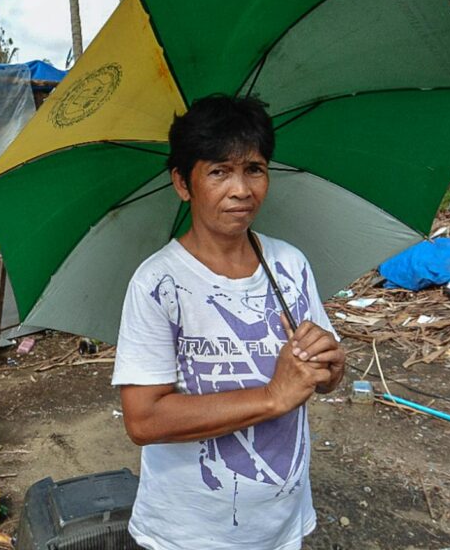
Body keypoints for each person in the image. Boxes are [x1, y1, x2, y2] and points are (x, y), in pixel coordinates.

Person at [112, 95, 347, 550]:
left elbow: (324, 379)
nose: (242, 189)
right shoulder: (158, 283)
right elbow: (143, 420)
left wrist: (331, 366)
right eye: (219, 171)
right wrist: (271, 396)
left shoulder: (290, 264)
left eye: (254, 169)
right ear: (183, 183)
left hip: (282, 523)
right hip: (189, 532)